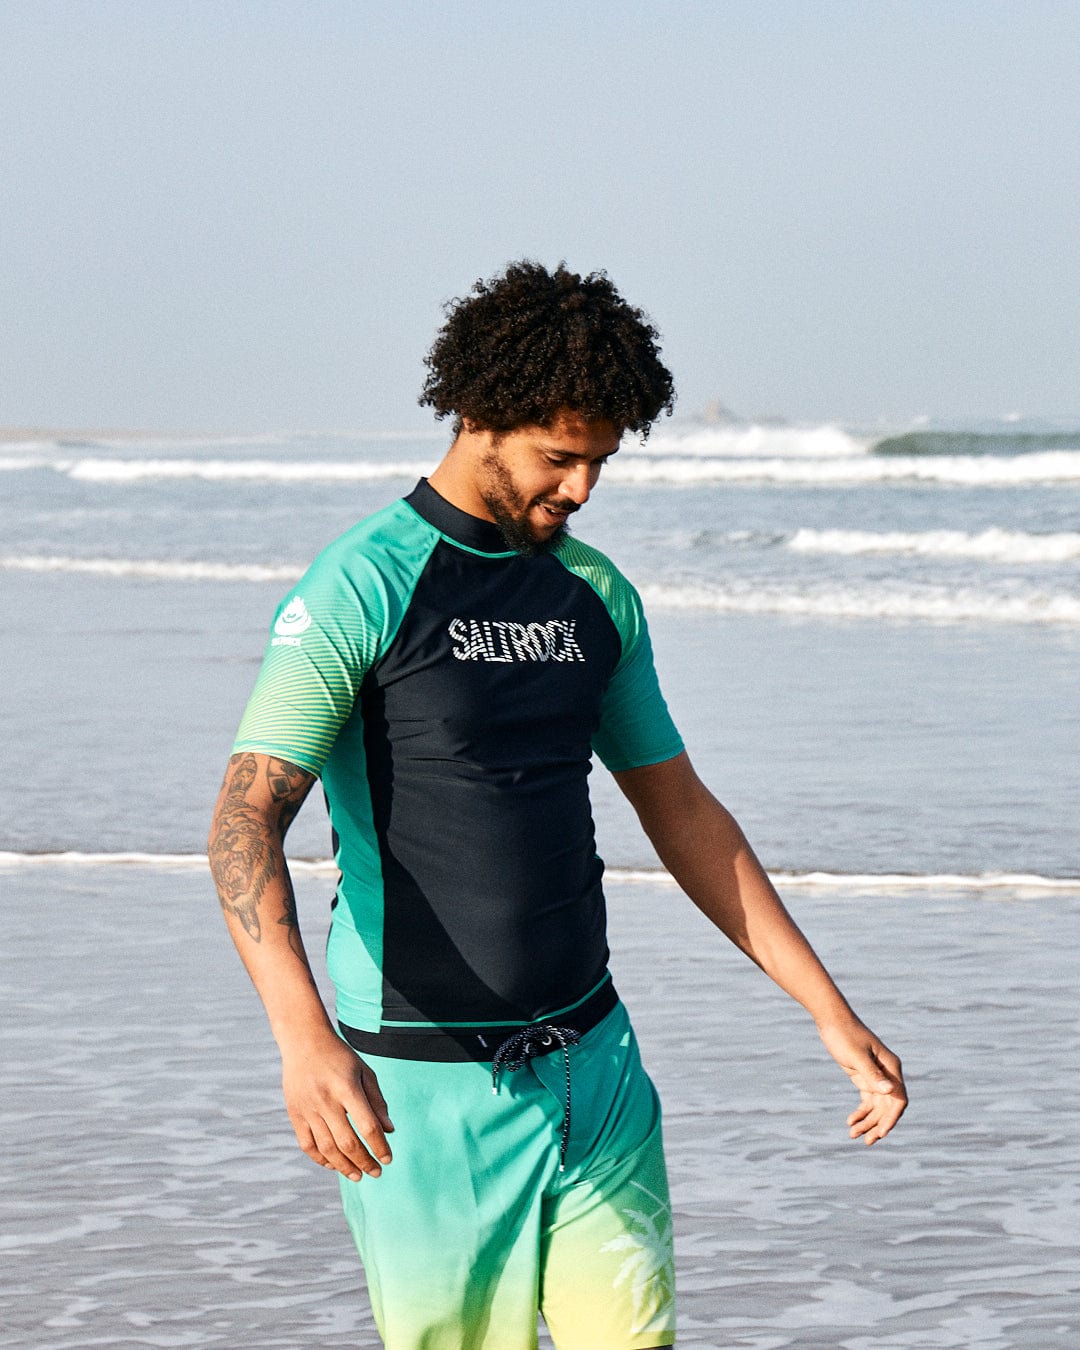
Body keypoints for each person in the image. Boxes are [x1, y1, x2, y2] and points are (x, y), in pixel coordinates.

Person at [208, 260, 907, 1350]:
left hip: (597, 1062)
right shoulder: (362, 585)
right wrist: (302, 1041)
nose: (580, 489)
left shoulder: (593, 594)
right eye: (559, 457)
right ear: (480, 417)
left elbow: (680, 810)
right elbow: (243, 822)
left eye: (600, 463)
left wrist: (828, 1008)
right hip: (428, 1087)